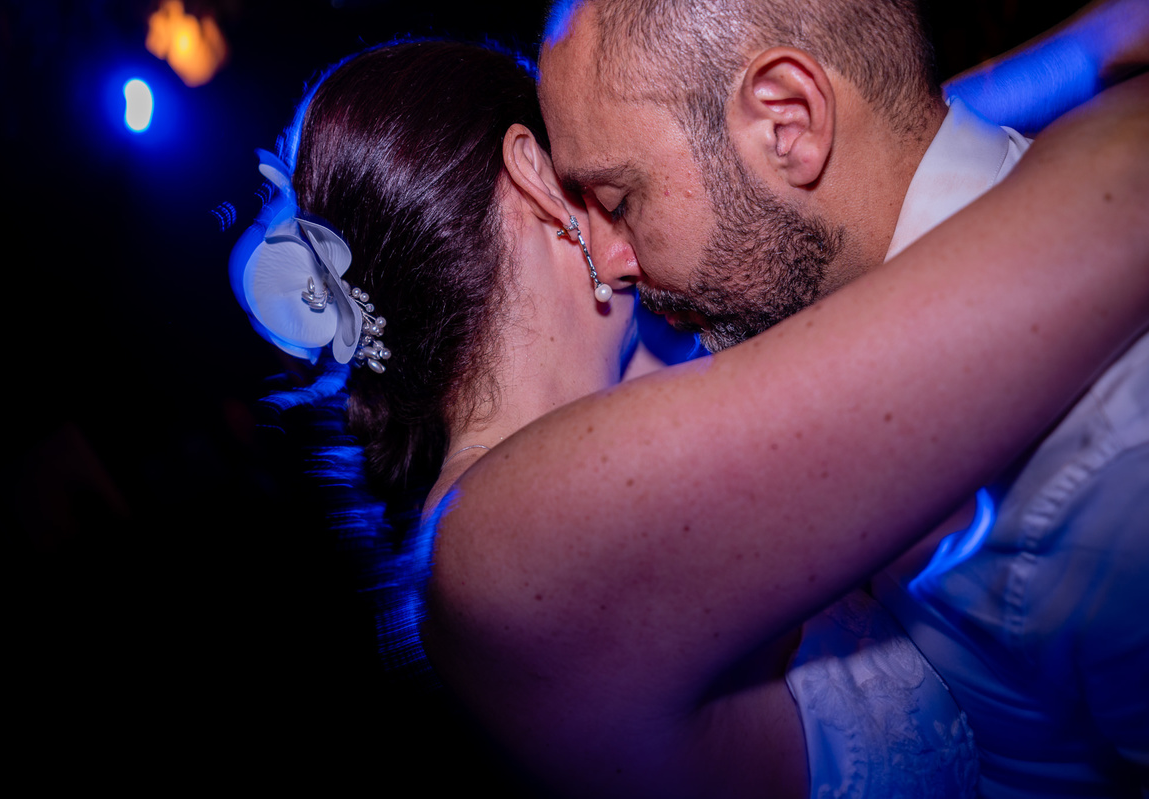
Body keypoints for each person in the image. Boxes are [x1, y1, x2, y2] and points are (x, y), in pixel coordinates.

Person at [231, 39, 1149, 799]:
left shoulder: (612, 387)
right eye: (606, 192)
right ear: (537, 178)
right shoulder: (504, 547)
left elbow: (794, 162)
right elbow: (1115, 205)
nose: (631, 236)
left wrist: (1088, 47)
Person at [536, 1, 1148, 796]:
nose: (608, 259)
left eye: (618, 201)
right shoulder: (811, 292)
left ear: (788, 122)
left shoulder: (1109, 476)